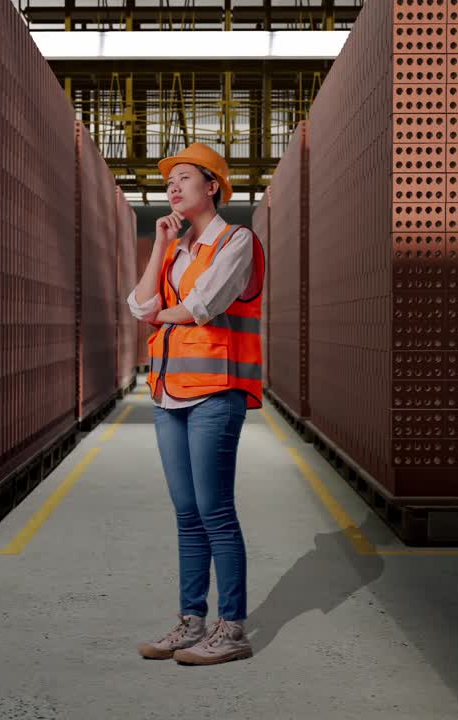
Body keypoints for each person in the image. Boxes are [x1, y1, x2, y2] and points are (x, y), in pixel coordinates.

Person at [126, 142, 266, 666]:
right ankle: (191, 621)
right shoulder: (179, 251)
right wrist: (161, 247)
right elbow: (140, 302)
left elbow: (201, 306)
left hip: (215, 393)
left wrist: (160, 315)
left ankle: (232, 628)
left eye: (185, 177)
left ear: (213, 187)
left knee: (215, 512)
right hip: (167, 394)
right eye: (169, 181)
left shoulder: (238, 240)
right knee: (187, 514)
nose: (173, 187)